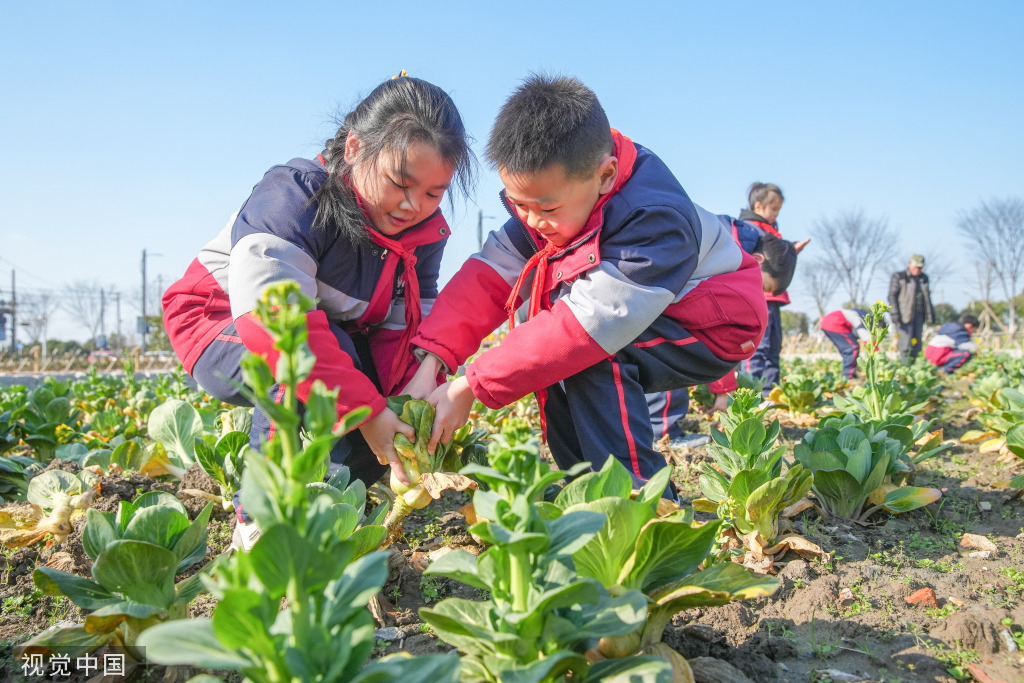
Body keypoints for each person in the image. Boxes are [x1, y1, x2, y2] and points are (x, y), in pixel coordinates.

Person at [404, 75, 768, 491]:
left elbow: (591, 326)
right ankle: (583, 488)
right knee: (556, 364)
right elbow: (488, 273)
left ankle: (641, 501)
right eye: (517, 204)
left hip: (715, 322)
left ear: (606, 176)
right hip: (648, 317)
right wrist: (430, 361)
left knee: (588, 356)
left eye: (545, 208)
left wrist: (471, 385)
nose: (532, 221)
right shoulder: (554, 197)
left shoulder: (655, 218)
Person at [161, 74, 474, 548]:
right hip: (220, 324)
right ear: (354, 147)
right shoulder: (294, 196)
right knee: (312, 356)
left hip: (331, 339)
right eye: (400, 183)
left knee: (369, 443)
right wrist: (367, 410)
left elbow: (405, 328)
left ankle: (323, 515)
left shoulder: (423, 234)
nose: (414, 206)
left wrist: (409, 398)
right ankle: (259, 519)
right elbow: (276, 321)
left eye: (434, 193)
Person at [647, 224, 799, 445]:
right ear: (757, 260)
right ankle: (664, 433)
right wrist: (723, 390)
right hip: (657, 299)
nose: (760, 295)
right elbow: (716, 333)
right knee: (673, 351)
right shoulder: (727, 262)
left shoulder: (727, 236)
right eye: (764, 285)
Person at [738, 183, 809, 396]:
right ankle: (750, 391)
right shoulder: (749, 228)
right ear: (758, 206)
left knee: (774, 346)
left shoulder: (771, 230)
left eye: (779, 209)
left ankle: (770, 391)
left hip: (774, 296)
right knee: (757, 346)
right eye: (773, 208)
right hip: (758, 297)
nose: (776, 214)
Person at [889, 254, 935, 364]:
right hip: (904, 315)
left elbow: (927, 298)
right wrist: (894, 312)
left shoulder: (924, 278)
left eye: (920, 267)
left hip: (919, 314)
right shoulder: (899, 276)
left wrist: (930, 315)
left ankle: (914, 366)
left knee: (917, 343)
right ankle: (905, 366)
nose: (917, 270)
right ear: (909, 264)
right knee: (905, 343)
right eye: (915, 267)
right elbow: (892, 296)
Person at [820, 308, 870, 378]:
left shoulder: (859, 314)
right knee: (852, 348)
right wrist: (876, 354)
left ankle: (850, 372)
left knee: (846, 349)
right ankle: (848, 375)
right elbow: (869, 341)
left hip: (826, 323)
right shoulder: (864, 321)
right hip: (835, 322)